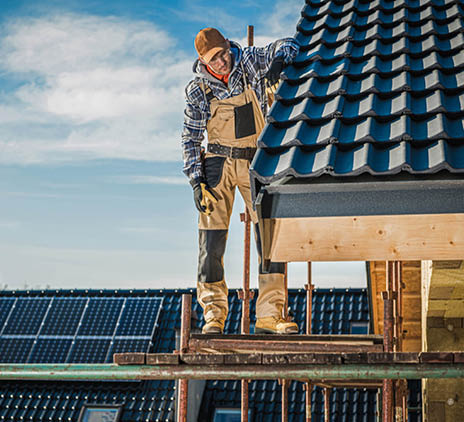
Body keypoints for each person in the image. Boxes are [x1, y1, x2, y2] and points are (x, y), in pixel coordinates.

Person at [182, 27, 300, 334]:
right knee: (211, 241)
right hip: (217, 165)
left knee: (270, 236)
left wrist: (278, 63)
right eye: (215, 59)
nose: (223, 62)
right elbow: (191, 137)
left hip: (254, 160)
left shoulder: (247, 61)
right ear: (203, 62)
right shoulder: (198, 91)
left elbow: (288, 44)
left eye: (224, 54)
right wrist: (196, 180)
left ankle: (270, 315)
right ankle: (213, 315)